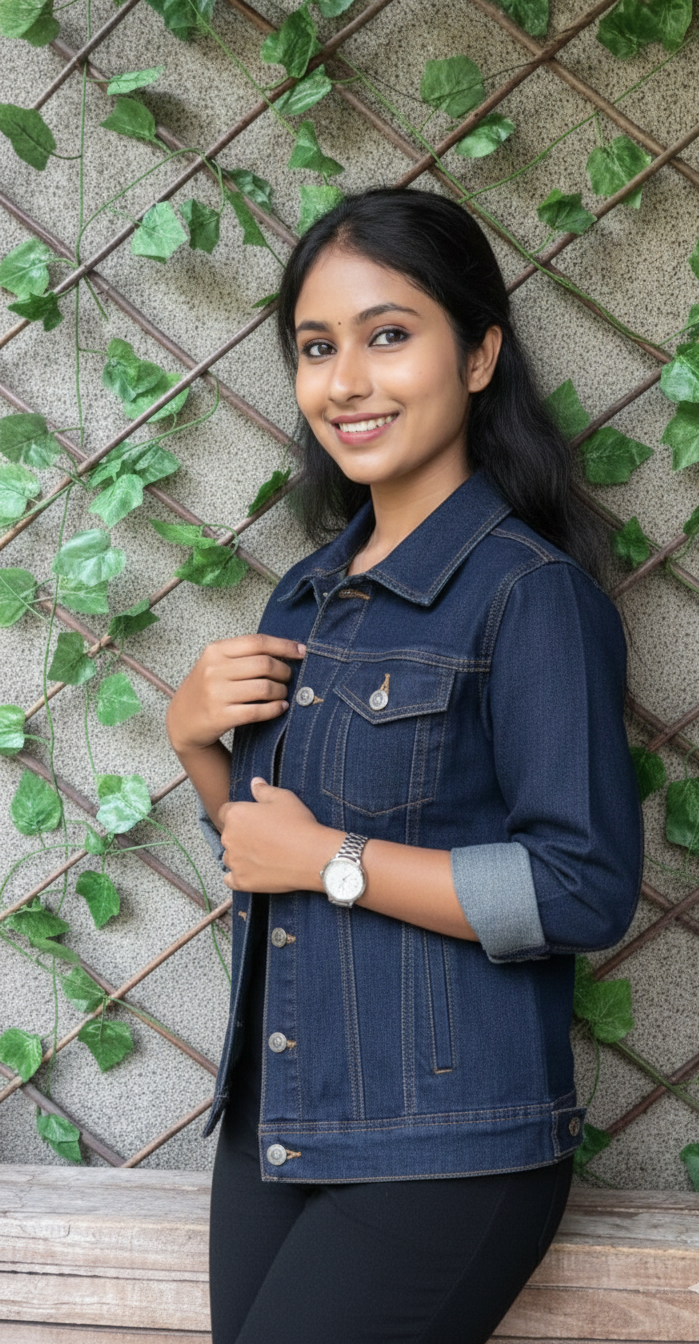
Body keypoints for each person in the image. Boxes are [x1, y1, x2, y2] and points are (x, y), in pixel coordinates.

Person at [165, 187, 644, 1344]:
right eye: (316, 347)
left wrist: (331, 858)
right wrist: (194, 747)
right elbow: (260, 855)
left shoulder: (531, 598)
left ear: (479, 355)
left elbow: (580, 887)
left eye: (389, 335)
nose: (347, 380)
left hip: (448, 1145)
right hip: (280, 1124)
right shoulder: (308, 593)